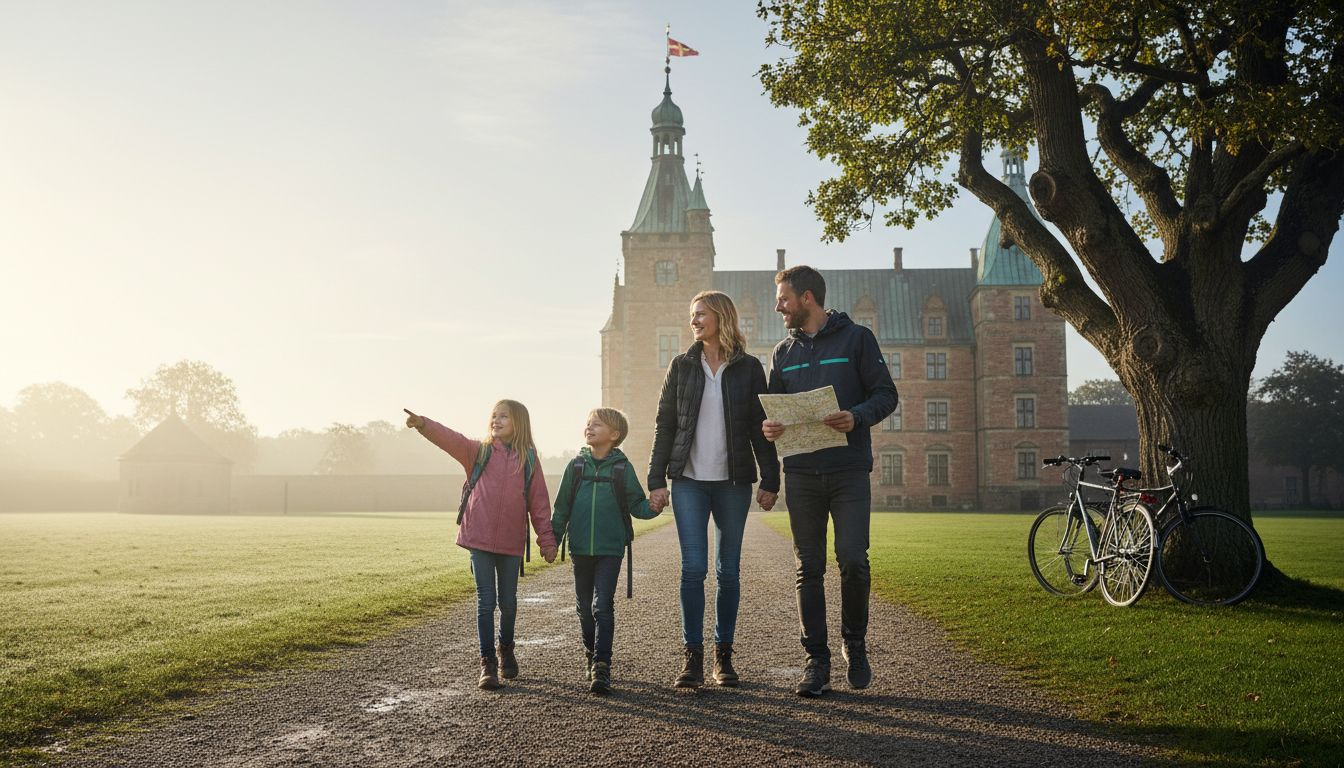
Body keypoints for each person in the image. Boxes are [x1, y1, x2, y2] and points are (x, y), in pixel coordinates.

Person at [762, 265, 898, 698]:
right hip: (801, 473)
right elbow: (773, 412)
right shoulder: (782, 352)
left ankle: (854, 643)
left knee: (854, 559)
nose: (778, 306)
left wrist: (855, 416)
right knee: (809, 567)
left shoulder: (857, 339)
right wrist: (772, 429)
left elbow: (886, 395)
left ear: (806, 298)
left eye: (783, 298)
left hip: (848, 469)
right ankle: (815, 661)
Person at [649, 290, 781, 689]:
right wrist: (657, 479)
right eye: (692, 315)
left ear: (721, 317)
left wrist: (771, 479)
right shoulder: (681, 366)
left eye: (700, 314)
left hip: (733, 482)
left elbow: (762, 428)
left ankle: (723, 656)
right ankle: (693, 656)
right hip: (688, 481)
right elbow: (665, 425)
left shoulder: (748, 369)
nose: (694, 321)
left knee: (728, 571)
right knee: (693, 569)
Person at [405, 400, 558, 691]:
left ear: (519, 423)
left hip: (512, 543)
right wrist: (424, 424)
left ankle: (506, 647)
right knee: (485, 601)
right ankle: (487, 662)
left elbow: (539, 504)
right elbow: (450, 439)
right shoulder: (479, 452)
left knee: (509, 603)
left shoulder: (529, 460)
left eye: (504, 417)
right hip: (479, 538)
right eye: (494, 416)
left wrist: (546, 541)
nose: (496, 421)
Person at [550, 407, 660, 695]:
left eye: (597, 424)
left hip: (611, 549)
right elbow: (561, 508)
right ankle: (591, 653)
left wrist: (654, 506)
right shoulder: (575, 467)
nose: (589, 427)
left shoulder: (622, 469)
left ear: (615, 435)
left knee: (602, 606)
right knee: (584, 608)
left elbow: (637, 505)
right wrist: (552, 539)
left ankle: (602, 664)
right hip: (579, 548)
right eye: (588, 423)